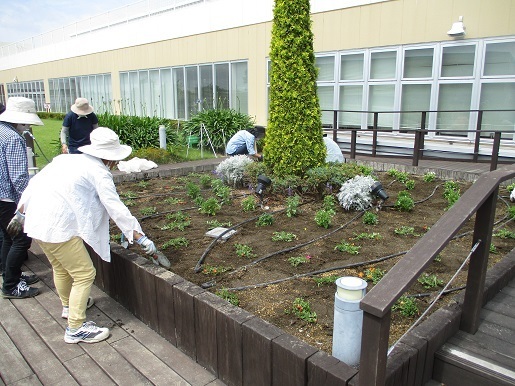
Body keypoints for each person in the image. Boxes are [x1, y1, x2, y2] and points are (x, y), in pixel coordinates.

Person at [7, 127, 158, 344]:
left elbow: (34, 183)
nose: (115, 163)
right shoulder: (99, 173)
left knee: (60, 268)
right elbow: (115, 207)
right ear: (107, 157)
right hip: (59, 227)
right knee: (84, 273)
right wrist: (139, 236)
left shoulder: (65, 160)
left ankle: (69, 307)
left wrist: (21, 212)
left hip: (36, 222)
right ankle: (75, 328)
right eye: (114, 159)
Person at [0, 97, 42, 299]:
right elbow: (18, 178)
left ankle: (11, 275)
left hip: (0, 196)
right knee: (21, 241)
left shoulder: (1, 131)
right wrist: (26, 205)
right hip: (9, 199)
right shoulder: (14, 138)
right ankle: (10, 286)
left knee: (8, 238)